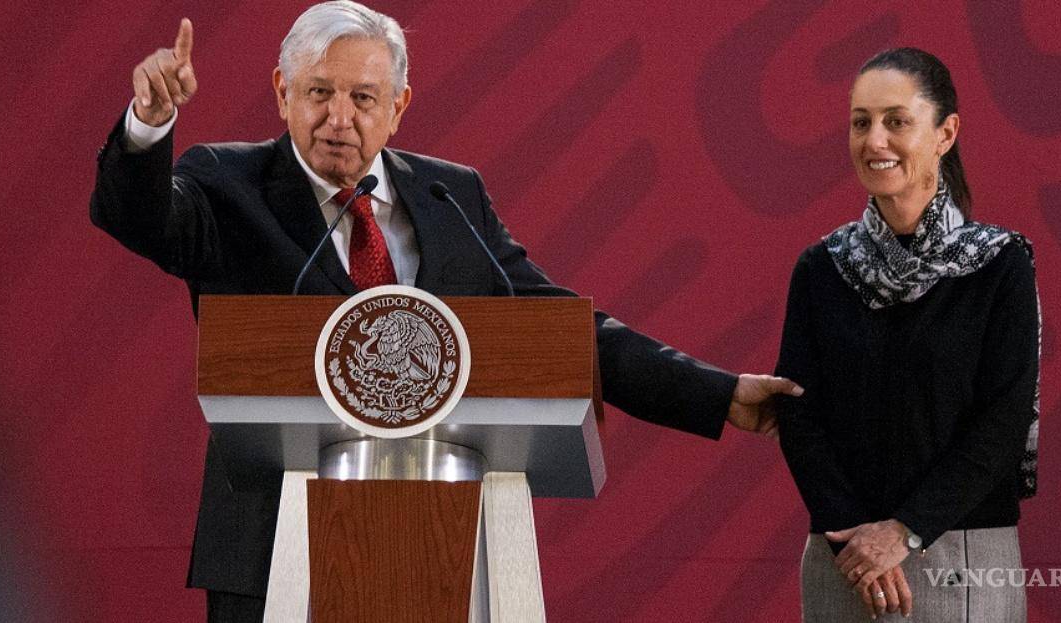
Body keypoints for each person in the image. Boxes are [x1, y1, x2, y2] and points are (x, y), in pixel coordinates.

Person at [89, 2, 800, 620]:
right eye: (319, 93)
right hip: (275, 545)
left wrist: (719, 392)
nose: (339, 119)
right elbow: (143, 219)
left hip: (442, 536)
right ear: (282, 92)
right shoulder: (226, 182)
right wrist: (149, 126)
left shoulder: (450, 196)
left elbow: (560, 329)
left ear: (399, 105)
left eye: (364, 98)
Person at [775, 47, 1039, 622]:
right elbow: (798, 412)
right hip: (842, 558)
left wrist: (904, 531)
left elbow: (1004, 419)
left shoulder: (998, 264)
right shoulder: (822, 268)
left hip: (962, 553)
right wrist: (853, 540)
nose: (875, 141)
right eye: (861, 121)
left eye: (897, 121)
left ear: (946, 133)